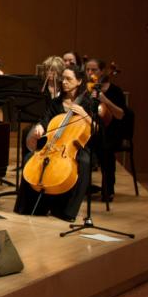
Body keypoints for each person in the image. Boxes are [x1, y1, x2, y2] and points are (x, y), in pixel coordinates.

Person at [15, 67, 101, 221]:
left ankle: (68, 211)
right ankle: (29, 207)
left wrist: (84, 114)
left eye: (69, 79)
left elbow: (96, 128)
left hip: (76, 146)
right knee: (29, 158)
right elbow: (45, 119)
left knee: (84, 162)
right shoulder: (56, 102)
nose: (64, 82)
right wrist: (40, 127)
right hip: (54, 144)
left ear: (79, 81)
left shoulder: (88, 103)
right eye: (63, 79)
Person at [83, 58, 127, 202]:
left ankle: (108, 189)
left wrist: (105, 100)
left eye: (94, 70)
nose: (90, 73)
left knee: (105, 149)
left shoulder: (115, 91)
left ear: (102, 71)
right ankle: (81, 187)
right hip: (90, 130)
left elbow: (120, 115)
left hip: (111, 132)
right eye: (87, 69)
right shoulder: (86, 89)